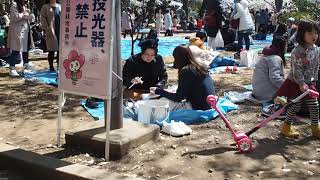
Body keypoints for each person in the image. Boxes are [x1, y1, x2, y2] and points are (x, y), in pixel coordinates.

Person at [276, 20, 320, 138]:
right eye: (310, 33)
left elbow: (316, 65)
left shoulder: (316, 49)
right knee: (295, 105)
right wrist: (301, 83)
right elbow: (297, 69)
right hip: (295, 82)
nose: (314, 36)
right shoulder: (297, 51)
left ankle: (315, 128)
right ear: (302, 34)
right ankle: (286, 127)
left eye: (316, 33)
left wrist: (313, 80)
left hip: (309, 82)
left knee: (314, 105)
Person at [151, 45, 216, 111]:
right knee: (174, 89)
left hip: (198, 107)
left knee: (162, 101)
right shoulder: (199, 66)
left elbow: (178, 98)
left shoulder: (186, 71)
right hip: (210, 103)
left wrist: (158, 91)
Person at [252, 36, 287, 103]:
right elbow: (275, 78)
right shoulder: (275, 58)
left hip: (257, 92)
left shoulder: (266, 55)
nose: (286, 48)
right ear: (282, 47)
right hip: (266, 95)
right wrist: (286, 86)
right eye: (286, 46)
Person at [8, 0, 35, 77]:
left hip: (25, 30)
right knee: (16, 49)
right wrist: (24, 14)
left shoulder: (25, 5)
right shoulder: (14, 4)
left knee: (26, 48)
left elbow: (25, 18)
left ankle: (26, 64)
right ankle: (12, 68)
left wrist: (30, 16)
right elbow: (14, 17)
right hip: (18, 30)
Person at [40, 0, 61, 71]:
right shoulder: (45, 7)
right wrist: (47, 28)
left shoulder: (60, 6)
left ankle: (59, 66)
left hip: (61, 30)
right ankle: (51, 66)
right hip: (51, 31)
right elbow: (42, 18)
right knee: (51, 50)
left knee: (60, 50)